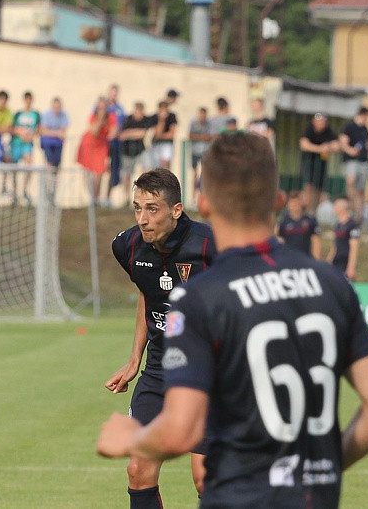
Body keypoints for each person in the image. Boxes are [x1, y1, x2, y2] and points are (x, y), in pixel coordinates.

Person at [97, 132, 368, 508]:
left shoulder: (203, 298)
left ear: (201, 205)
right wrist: (323, 465)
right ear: (277, 202)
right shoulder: (332, 285)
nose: (142, 218)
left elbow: (179, 430)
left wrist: (127, 440)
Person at [105, 168, 215, 507]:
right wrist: (134, 359)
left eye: (152, 208)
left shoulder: (213, 245)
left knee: (206, 476)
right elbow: (147, 293)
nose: (142, 218)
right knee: (138, 468)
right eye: (137, 208)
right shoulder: (127, 246)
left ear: (177, 210)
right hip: (159, 369)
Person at [77, 98, 118, 205]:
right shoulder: (93, 117)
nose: (102, 110)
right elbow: (94, 132)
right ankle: (92, 198)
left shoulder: (111, 117)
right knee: (88, 172)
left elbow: (113, 132)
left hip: (101, 146)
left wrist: (111, 133)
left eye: (104, 108)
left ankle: (96, 198)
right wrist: (99, 120)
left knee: (99, 172)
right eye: (100, 108)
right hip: (89, 145)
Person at [299, 113, 339, 214]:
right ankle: (307, 212)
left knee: (319, 190)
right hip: (309, 163)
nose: (321, 123)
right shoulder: (309, 130)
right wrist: (320, 149)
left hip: (322, 164)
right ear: (314, 121)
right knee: (309, 187)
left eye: (323, 121)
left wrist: (328, 147)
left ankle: (314, 213)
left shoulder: (328, 131)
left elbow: (337, 145)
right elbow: (303, 144)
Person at [339, 107, 368, 223]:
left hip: (363, 161)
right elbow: (343, 142)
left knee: (360, 189)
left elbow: (367, 143)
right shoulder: (349, 127)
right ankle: (350, 209)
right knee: (351, 182)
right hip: (351, 160)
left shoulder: (365, 129)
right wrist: (350, 150)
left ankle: (359, 215)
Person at [9, 91, 41, 205]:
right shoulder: (18, 114)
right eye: (26, 99)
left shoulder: (36, 114)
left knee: (29, 165)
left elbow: (38, 128)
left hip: (27, 145)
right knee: (14, 168)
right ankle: (14, 192)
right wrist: (20, 133)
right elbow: (12, 128)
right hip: (16, 144)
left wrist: (31, 135)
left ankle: (24, 190)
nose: (28, 101)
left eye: (30, 99)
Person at [119, 102, 155, 202]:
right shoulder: (127, 119)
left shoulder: (145, 120)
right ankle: (126, 197)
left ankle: (145, 195)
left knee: (147, 171)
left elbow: (143, 134)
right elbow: (122, 135)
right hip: (127, 151)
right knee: (126, 174)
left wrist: (130, 133)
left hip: (140, 150)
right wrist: (136, 132)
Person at [39, 97, 69, 200]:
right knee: (49, 165)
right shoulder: (47, 115)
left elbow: (63, 132)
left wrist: (52, 133)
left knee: (56, 168)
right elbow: (43, 131)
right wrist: (56, 133)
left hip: (58, 146)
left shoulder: (64, 115)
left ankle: (53, 194)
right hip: (48, 144)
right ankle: (48, 190)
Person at [277, 190, 321, 259]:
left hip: (305, 258)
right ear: (288, 205)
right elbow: (280, 241)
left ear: (301, 203)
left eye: (297, 202)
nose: (295, 205)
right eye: (292, 203)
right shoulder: (283, 222)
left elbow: (316, 241)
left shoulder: (310, 220)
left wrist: (316, 261)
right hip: (289, 259)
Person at [327, 195, 361, 281]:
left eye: (336, 205)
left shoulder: (352, 225)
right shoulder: (337, 225)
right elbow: (335, 246)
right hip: (336, 262)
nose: (334, 208)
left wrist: (351, 267)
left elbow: (354, 246)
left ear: (343, 207)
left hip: (344, 262)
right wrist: (328, 261)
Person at [104, 84, 126, 207]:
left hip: (115, 144)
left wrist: (115, 132)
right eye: (112, 92)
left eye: (115, 93)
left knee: (113, 170)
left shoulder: (120, 109)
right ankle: (96, 198)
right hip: (103, 144)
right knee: (100, 169)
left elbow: (121, 125)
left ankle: (107, 197)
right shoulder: (102, 107)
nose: (113, 95)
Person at [188, 107, 213, 208]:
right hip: (195, 151)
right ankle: (194, 198)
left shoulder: (209, 124)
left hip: (205, 152)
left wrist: (200, 137)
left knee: (204, 174)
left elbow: (210, 137)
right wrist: (202, 137)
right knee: (195, 174)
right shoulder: (193, 123)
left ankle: (203, 198)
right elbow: (190, 136)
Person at [150, 101, 178, 170]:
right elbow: (157, 133)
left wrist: (161, 136)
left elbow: (171, 134)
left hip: (167, 143)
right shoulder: (154, 117)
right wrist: (161, 120)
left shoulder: (172, 116)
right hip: (156, 144)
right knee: (156, 166)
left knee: (165, 163)